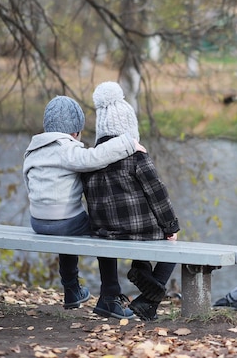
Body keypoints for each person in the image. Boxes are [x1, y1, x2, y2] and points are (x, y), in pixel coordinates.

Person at [23, 95, 145, 319]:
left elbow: (29, 185)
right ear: (74, 132)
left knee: (65, 229)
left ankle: (71, 290)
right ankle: (109, 296)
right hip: (66, 223)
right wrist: (127, 143)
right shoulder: (66, 150)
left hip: (38, 222)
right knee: (103, 229)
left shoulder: (32, 151)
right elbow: (96, 157)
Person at [82, 82, 180, 321]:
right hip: (140, 229)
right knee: (172, 248)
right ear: (129, 129)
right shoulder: (136, 156)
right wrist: (171, 228)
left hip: (105, 231)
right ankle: (148, 297)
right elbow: (157, 192)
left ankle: (108, 295)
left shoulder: (90, 159)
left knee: (105, 242)